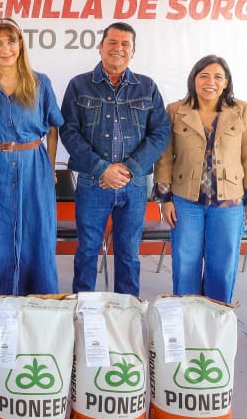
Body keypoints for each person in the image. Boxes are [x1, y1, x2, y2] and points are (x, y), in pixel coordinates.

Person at [59, 21, 170, 296]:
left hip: (134, 185)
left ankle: (126, 310)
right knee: (87, 251)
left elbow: (160, 133)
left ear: (133, 51)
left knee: (129, 253)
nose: (118, 48)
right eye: (112, 42)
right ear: (100, 47)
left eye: (125, 44)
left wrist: (129, 169)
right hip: (93, 182)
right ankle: (84, 309)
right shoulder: (79, 85)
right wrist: (102, 169)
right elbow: (69, 131)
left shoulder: (147, 87)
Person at [0, 17, 63, 296]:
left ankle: (35, 302)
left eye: (11, 41)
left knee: (35, 233)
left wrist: (50, 168)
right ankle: (1, 304)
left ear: (21, 45)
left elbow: (54, 126)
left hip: (33, 167)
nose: (5, 48)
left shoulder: (40, 82)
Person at [153, 55, 247, 304]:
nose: (210, 82)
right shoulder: (176, 110)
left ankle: (216, 315)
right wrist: (165, 199)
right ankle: (187, 315)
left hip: (229, 202)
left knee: (222, 265)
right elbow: (164, 157)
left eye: (217, 77)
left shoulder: (241, 110)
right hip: (185, 200)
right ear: (194, 79)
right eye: (203, 76)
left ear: (226, 83)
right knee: (185, 262)